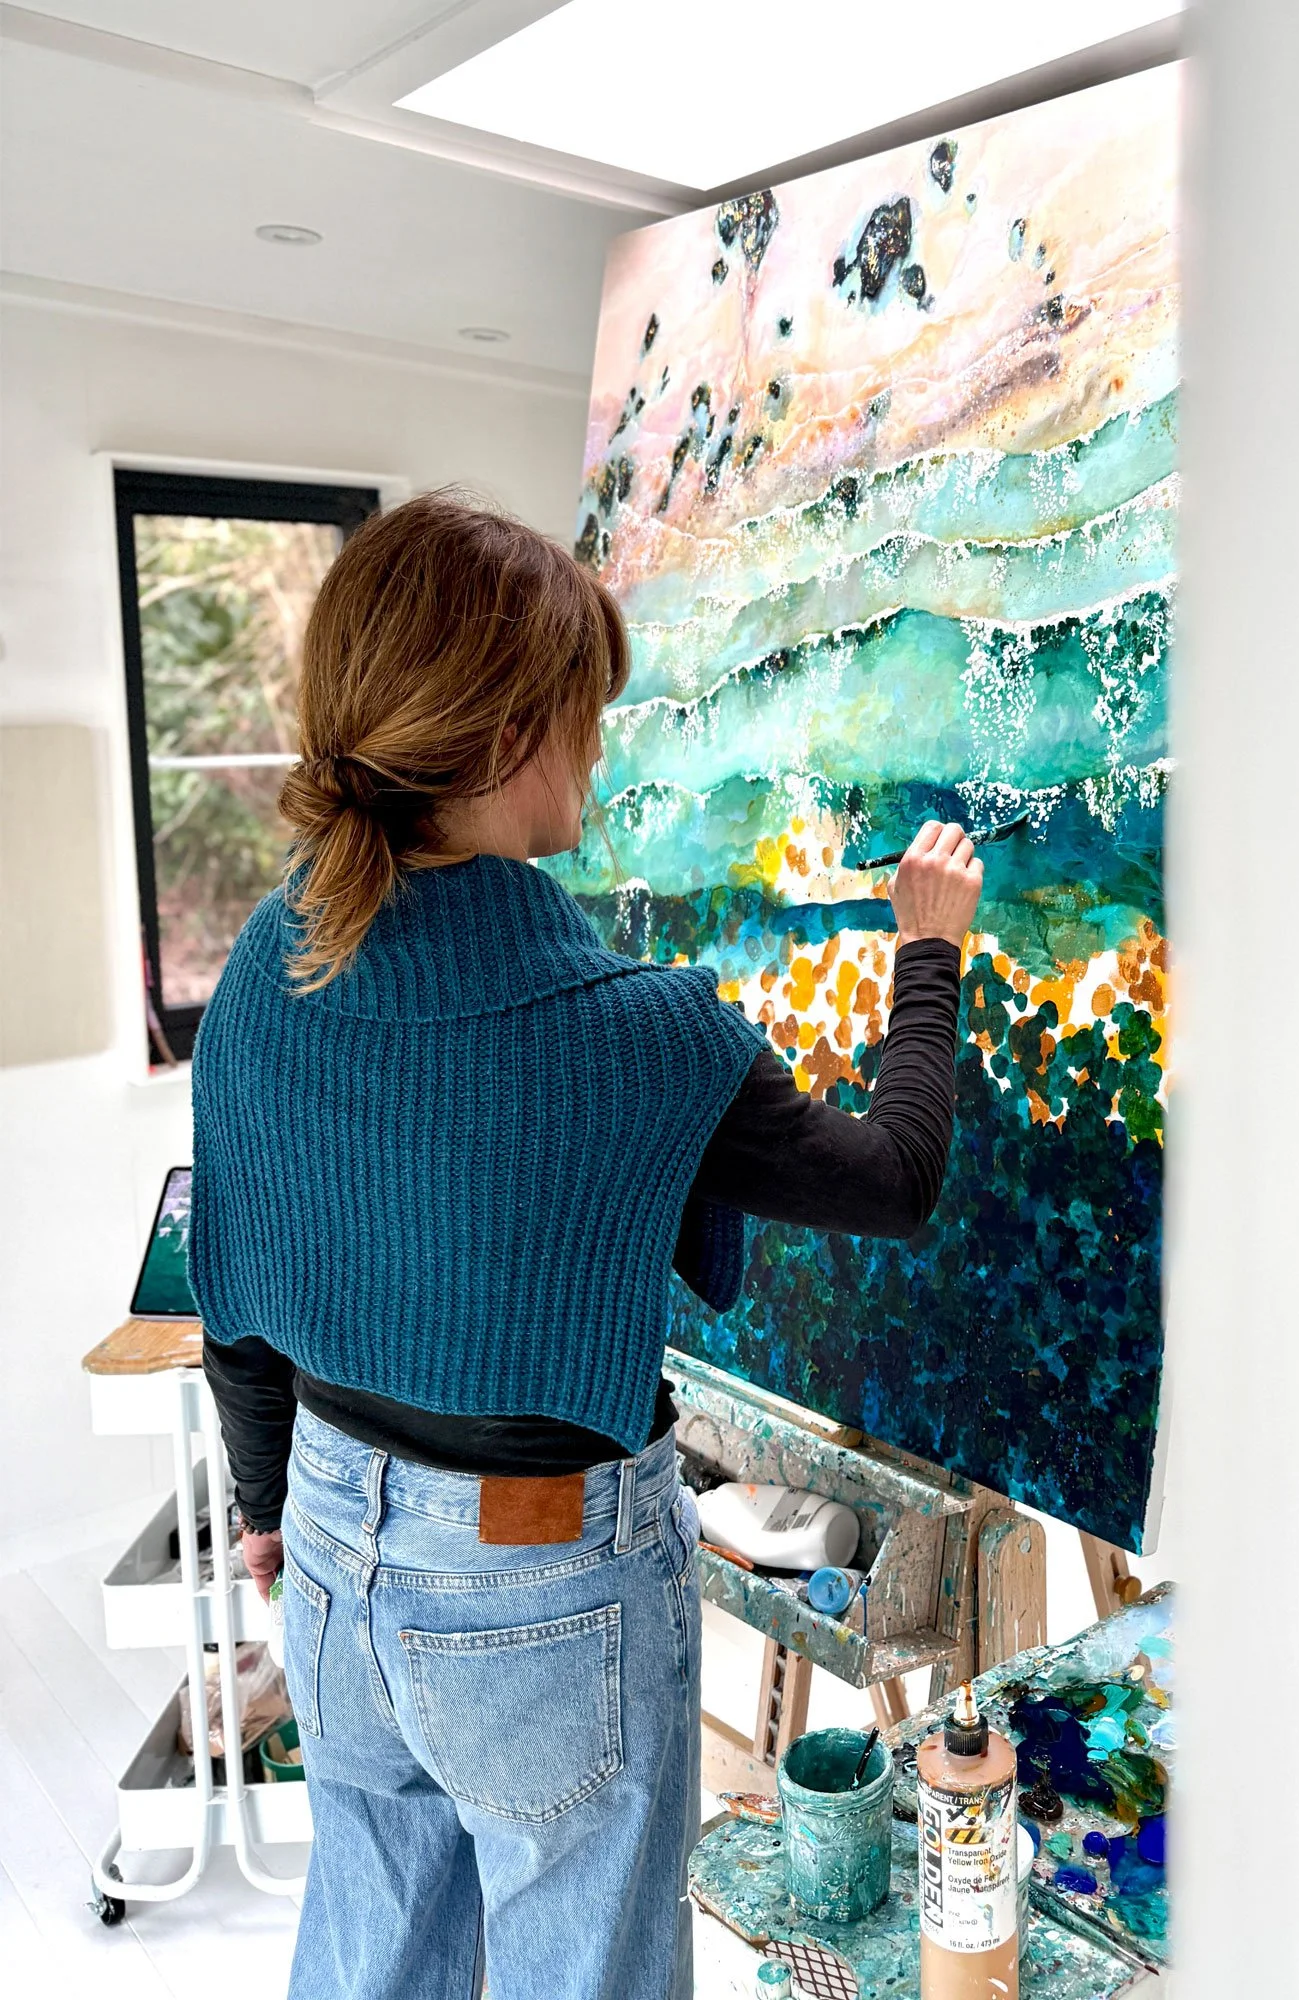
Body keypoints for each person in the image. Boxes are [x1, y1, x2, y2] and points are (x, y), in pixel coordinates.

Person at [190, 490, 982, 2000]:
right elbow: (894, 1180)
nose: (602, 748)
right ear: (500, 743)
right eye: (583, 712)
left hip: (334, 1549)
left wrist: (264, 1497)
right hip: (536, 1589)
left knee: (372, 1959)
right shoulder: (640, 1035)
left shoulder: (274, 957)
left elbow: (238, 1277)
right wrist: (927, 949)